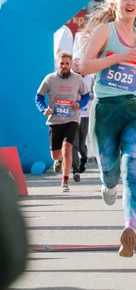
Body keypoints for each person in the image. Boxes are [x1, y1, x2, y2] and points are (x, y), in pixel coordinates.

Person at [80, 0, 136, 258]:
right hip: (106, 109)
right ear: (114, 4)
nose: (130, 2)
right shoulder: (105, 31)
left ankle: (129, 228)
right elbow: (83, 66)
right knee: (110, 171)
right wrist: (114, 58)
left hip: (134, 108)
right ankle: (107, 183)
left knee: (132, 169)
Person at [35, 51, 89, 192]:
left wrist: (80, 104)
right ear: (57, 64)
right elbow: (39, 97)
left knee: (67, 148)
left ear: (71, 65)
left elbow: (86, 95)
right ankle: (58, 161)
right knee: (56, 154)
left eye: (67, 63)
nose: (64, 66)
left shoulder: (78, 79)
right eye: (62, 63)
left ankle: (64, 181)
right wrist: (44, 109)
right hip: (55, 120)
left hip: (72, 118)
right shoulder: (50, 79)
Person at [72, 58, 94, 180]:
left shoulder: (90, 78)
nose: (77, 68)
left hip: (86, 114)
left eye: (79, 65)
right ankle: (75, 169)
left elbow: (95, 94)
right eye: (75, 65)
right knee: (73, 143)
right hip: (73, 115)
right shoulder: (70, 79)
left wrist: (85, 96)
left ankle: (84, 158)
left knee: (81, 144)